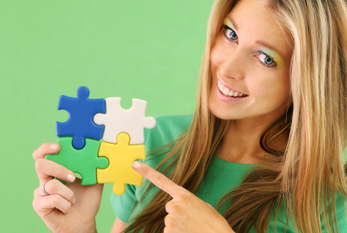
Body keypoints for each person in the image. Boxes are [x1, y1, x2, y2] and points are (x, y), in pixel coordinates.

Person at [32, 0, 347, 232]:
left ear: (306, 79)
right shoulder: (152, 142)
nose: (227, 68)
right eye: (231, 34)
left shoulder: (330, 203)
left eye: (265, 58)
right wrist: (78, 227)